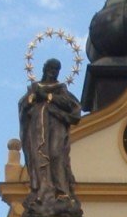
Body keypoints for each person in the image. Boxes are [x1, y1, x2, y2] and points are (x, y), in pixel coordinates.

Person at [18, 58, 81, 203]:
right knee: (38, 157)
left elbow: (70, 105)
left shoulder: (60, 88)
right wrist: (32, 98)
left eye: (56, 70)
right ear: (45, 69)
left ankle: (61, 191)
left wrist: (49, 96)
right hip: (37, 128)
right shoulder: (34, 87)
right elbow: (23, 105)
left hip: (55, 124)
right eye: (51, 69)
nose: (53, 73)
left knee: (56, 154)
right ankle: (42, 190)